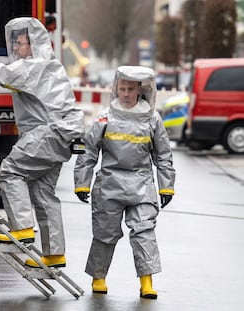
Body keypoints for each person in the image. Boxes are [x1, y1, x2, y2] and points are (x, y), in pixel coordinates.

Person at [0, 17, 85, 268]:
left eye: (20, 43)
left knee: (9, 172)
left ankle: (22, 229)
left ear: (34, 44)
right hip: (60, 135)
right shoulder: (50, 65)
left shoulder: (34, 66)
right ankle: (54, 254)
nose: (16, 48)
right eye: (14, 42)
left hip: (46, 134)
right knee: (44, 194)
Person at [74, 66, 175, 299]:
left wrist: (166, 185)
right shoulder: (105, 117)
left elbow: (163, 154)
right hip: (109, 184)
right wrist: (82, 182)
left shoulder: (152, 119)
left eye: (131, 89)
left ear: (140, 90)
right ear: (116, 88)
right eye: (122, 88)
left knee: (144, 231)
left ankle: (147, 283)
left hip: (141, 184)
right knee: (104, 233)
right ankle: (98, 278)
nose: (126, 93)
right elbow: (89, 150)